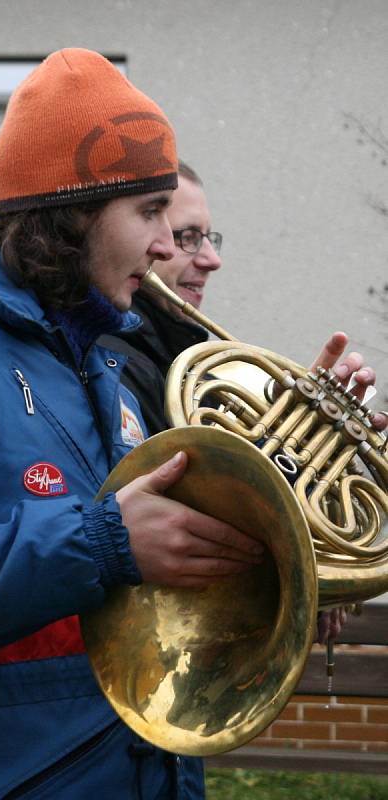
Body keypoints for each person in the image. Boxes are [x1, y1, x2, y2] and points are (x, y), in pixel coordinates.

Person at [0, 49, 267, 800]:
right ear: (73, 212)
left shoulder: (104, 366)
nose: (170, 247)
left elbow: (135, 594)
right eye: (149, 213)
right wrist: (101, 541)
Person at [104, 160, 388, 644]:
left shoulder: (192, 359)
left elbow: (228, 503)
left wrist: (307, 442)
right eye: (189, 236)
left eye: (210, 238)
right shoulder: (115, 361)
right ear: (150, 240)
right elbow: (191, 510)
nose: (210, 259)